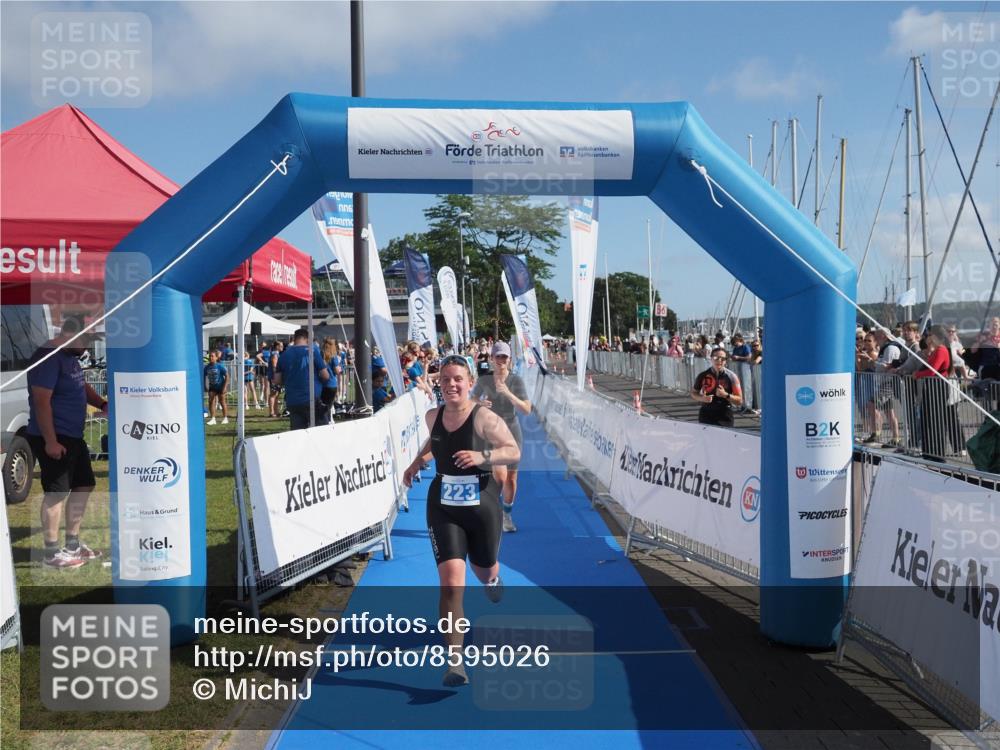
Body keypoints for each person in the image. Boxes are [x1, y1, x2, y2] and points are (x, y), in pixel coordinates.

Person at [402, 355, 521, 687]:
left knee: (484, 570)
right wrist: (416, 462)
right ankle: (455, 661)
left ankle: (493, 580)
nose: (451, 385)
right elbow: (435, 442)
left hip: (482, 506)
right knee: (452, 582)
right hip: (443, 505)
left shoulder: (485, 418)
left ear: (470, 382)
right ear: (439, 385)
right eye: (445, 380)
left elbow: (513, 451)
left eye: (458, 379)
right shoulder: (432, 416)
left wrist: (482, 456)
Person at [26, 316, 108, 569]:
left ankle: (72, 544)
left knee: (84, 485)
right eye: (85, 340)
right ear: (69, 333)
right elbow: (41, 401)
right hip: (53, 436)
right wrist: (50, 441)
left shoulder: (70, 358)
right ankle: (51, 554)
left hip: (73, 436)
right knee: (56, 492)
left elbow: (81, 387)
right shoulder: (48, 357)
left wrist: (103, 404)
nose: (87, 347)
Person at [471, 341, 531, 532]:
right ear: (492, 359)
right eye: (498, 356)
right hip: (491, 430)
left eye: (504, 357)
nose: (501, 360)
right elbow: (470, 400)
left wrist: (508, 394)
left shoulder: (516, 381)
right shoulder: (484, 380)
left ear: (509, 359)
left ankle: (506, 515)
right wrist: (479, 403)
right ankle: (492, 512)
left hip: (512, 429)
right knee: (498, 477)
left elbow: (527, 410)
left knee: (511, 480)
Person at [274, 329, 330, 430]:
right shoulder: (312, 352)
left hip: (293, 400)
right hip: (311, 399)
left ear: (294, 338)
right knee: (322, 431)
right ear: (306, 338)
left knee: (298, 435)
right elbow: (325, 375)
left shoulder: (283, 355)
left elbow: (277, 380)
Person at [690, 347, 742, 427]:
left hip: (724, 414)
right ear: (711, 359)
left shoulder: (732, 376)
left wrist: (725, 395)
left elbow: (739, 401)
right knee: (705, 439)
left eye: (723, 359)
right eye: (716, 358)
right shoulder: (703, 375)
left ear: (726, 361)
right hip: (706, 414)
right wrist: (702, 398)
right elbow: (693, 393)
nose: (719, 361)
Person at [204, 350, 229, 426]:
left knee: (222, 402)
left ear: (216, 357)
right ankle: (213, 419)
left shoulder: (220, 366)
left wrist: (224, 387)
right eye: (210, 356)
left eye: (212, 356)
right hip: (212, 387)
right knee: (211, 402)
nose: (211, 358)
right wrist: (205, 386)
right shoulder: (207, 367)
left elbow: (227, 376)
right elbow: (204, 376)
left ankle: (225, 418)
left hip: (220, 386)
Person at [267, 341, 284, 418]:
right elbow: (274, 366)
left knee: (276, 394)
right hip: (274, 377)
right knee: (273, 394)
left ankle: (276, 411)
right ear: (277, 346)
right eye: (281, 346)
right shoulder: (274, 354)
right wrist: (275, 377)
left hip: (275, 376)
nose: (282, 347)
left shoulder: (277, 354)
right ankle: (272, 412)